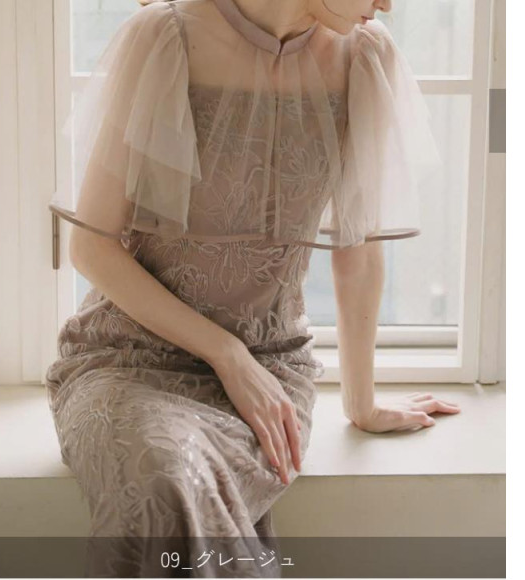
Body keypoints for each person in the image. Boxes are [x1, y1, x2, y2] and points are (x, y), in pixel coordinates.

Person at [45, 0, 461, 576]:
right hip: (126, 362)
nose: (387, 4)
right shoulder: (165, 36)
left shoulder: (366, 56)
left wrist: (361, 404)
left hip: (271, 374)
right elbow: (92, 248)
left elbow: (359, 254)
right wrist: (227, 354)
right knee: (164, 480)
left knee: (186, 485)